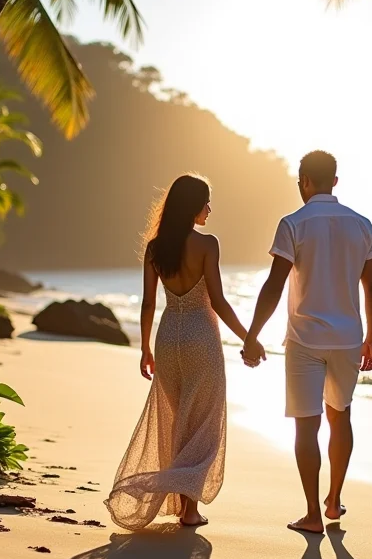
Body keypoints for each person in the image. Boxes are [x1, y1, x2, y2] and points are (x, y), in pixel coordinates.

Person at [106, 174, 261, 530]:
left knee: (179, 422)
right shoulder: (207, 244)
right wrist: (248, 338)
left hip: (166, 338)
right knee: (202, 426)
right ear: (193, 206)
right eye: (207, 201)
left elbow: (148, 303)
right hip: (201, 337)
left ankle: (179, 504)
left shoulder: (155, 249)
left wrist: (145, 348)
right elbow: (218, 301)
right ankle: (189, 510)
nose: (210, 208)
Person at [242, 151, 372, 534]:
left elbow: (274, 284)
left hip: (305, 339)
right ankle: (334, 499)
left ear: (303, 180)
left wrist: (253, 334)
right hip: (348, 339)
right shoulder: (362, 225)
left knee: (307, 427)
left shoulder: (293, 224)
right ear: (334, 181)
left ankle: (312, 515)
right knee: (341, 417)